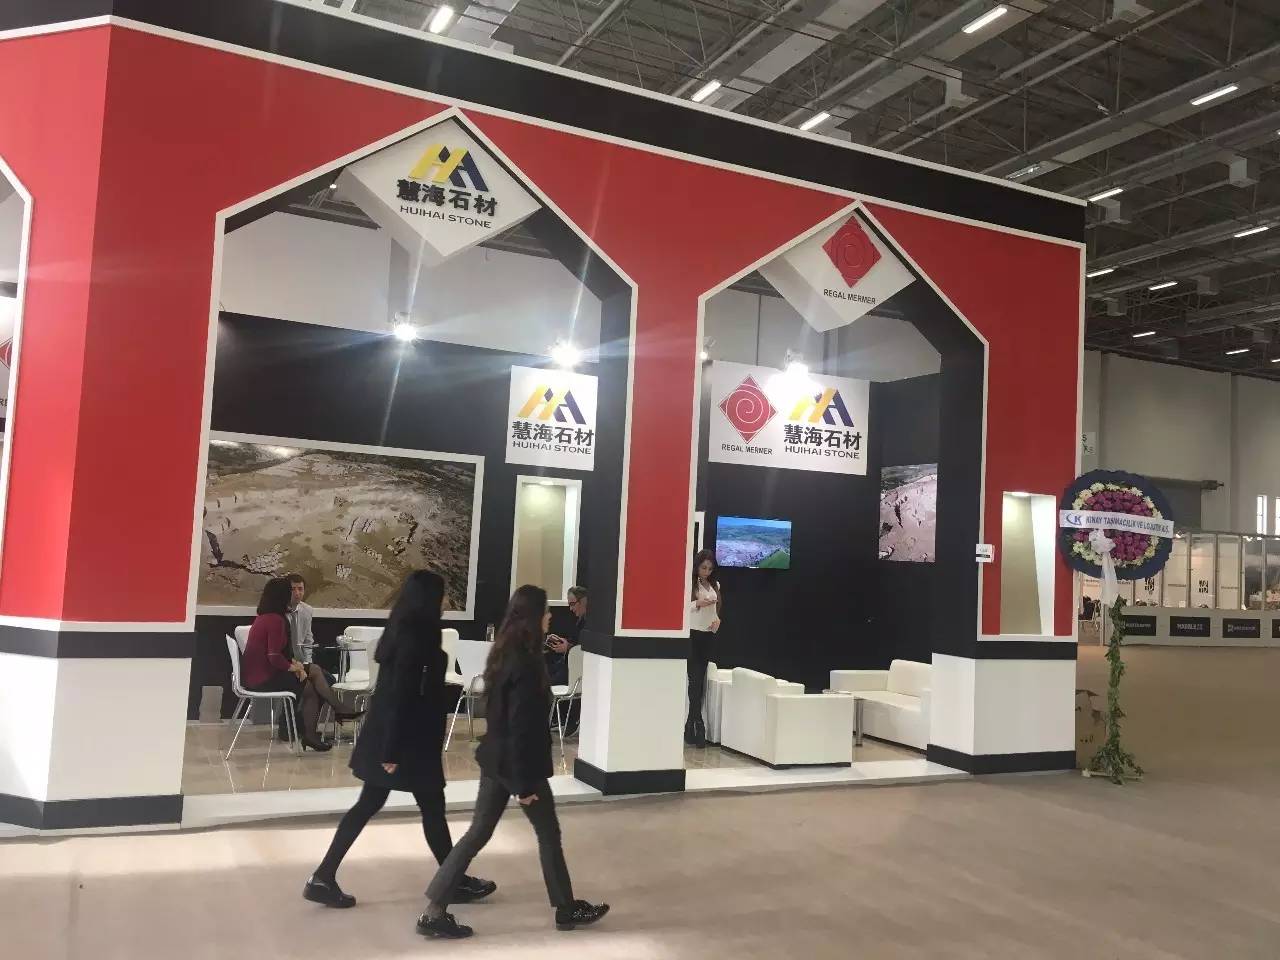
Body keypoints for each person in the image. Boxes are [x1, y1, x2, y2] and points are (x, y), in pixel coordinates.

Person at [417, 585, 609, 940]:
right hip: (520, 766)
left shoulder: (504, 653)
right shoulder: (525, 662)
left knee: (478, 833)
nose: (550, 617)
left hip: (496, 760)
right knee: (547, 833)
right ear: (534, 617)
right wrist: (523, 784)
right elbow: (521, 726)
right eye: (546, 612)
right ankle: (566, 908)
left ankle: (434, 910)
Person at [304, 570, 496, 909]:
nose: (447, 601)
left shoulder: (405, 630)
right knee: (428, 807)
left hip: (398, 737)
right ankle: (452, 882)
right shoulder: (415, 637)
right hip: (405, 742)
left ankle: (324, 876)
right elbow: (400, 695)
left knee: (385, 805)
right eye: (442, 594)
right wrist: (391, 751)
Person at [241, 577, 356, 752]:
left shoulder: (266, 617)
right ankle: (315, 730)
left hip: (261, 673)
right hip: (263, 678)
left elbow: (281, 653)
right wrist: (294, 668)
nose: (294, 594)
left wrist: (298, 666)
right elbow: (274, 656)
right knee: (311, 688)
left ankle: (331, 716)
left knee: (315, 671)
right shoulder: (275, 620)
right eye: (290, 591)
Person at [686, 549, 722, 748]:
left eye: (709, 568)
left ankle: (690, 725)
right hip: (693, 635)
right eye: (703, 568)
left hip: (707, 636)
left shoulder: (715, 585)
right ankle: (697, 724)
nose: (706, 572)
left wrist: (717, 621)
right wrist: (697, 603)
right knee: (695, 680)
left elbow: (716, 609)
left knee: (700, 681)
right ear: (697, 567)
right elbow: (682, 607)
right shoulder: (691, 584)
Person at [545, 585, 587, 686]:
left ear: (583, 601)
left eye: (572, 604)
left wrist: (568, 647)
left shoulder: (591, 626)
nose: (571, 609)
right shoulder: (580, 621)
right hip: (566, 664)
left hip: (574, 670)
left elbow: (586, 653)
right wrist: (564, 644)